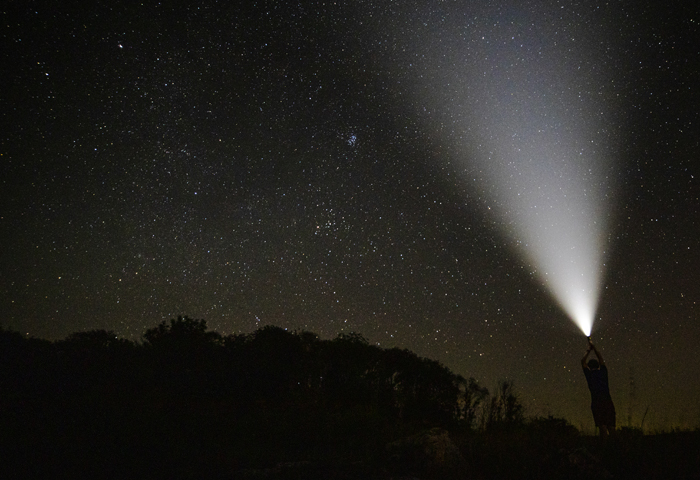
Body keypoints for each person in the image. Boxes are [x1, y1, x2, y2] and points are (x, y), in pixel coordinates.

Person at [581, 338, 616, 437]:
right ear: (598, 366)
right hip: (608, 401)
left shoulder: (589, 375)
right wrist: (594, 347)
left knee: (602, 428)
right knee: (611, 428)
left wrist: (588, 350)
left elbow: (582, 361)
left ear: (589, 367)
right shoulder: (603, 372)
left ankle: (604, 450)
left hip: (597, 402)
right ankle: (617, 450)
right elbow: (601, 359)